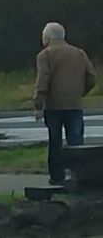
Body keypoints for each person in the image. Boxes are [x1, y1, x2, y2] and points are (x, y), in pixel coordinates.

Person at [33, 22, 97, 186]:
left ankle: (57, 176)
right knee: (76, 141)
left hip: (54, 107)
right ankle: (80, 175)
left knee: (55, 142)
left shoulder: (45, 55)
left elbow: (43, 81)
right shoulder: (79, 53)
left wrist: (38, 105)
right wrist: (79, 92)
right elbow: (92, 77)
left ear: (47, 38)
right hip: (75, 105)